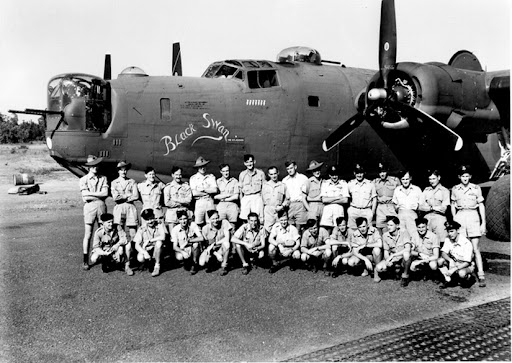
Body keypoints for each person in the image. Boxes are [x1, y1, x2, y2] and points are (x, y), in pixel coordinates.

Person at [451, 165, 486, 287]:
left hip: (472, 216)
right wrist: (454, 219)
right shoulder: (455, 189)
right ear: (459, 177)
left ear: (470, 176)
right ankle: (467, 272)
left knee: (475, 248)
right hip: (460, 217)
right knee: (462, 247)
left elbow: (481, 205)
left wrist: (483, 223)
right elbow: (453, 204)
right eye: (462, 176)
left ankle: (481, 274)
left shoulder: (476, 188)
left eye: (467, 176)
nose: (465, 178)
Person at [79, 155, 108, 271]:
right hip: (89, 207)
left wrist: (92, 194)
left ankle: (104, 257)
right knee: (88, 234)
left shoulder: (103, 178)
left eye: (96, 165)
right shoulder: (83, 179)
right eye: (92, 166)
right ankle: (85, 260)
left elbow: (105, 193)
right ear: (88, 167)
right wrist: (98, 194)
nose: (95, 167)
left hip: (101, 206)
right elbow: (84, 196)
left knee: (104, 231)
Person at [375, 216, 413, 287]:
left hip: (403, 257)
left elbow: (408, 248)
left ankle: (405, 276)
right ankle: (394, 272)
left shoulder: (404, 232)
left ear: (397, 225)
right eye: (388, 225)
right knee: (379, 268)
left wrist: (393, 255)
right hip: (394, 258)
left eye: (391, 225)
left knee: (406, 254)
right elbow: (386, 251)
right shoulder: (385, 235)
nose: (389, 227)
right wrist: (387, 260)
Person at [438, 220, 475, 289]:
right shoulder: (448, 239)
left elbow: (467, 262)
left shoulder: (466, 243)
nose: (449, 234)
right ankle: (448, 279)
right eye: (448, 231)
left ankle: (468, 278)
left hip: (465, 264)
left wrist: (454, 269)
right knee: (440, 261)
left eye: (452, 231)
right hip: (454, 262)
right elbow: (443, 252)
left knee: (462, 273)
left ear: (457, 230)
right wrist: (450, 260)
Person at [345, 217, 382, 282]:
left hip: (374, 255)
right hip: (364, 256)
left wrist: (365, 245)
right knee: (351, 262)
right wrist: (366, 260)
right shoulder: (355, 234)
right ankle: (365, 268)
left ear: (367, 225)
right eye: (360, 227)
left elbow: (380, 244)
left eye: (364, 226)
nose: (362, 229)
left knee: (377, 249)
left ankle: (376, 272)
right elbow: (355, 251)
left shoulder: (374, 230)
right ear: (357, 227)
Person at [111, 161, 139, 242]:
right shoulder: (114, 183)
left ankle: (133, 252)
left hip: (130, 207)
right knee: (119, 232)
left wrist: (123, 197)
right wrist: (127, 195)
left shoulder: (132, 181)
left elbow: (136, 196)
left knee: (133, 232)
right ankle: (120, 252)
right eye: (121, 170)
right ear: (118, 171)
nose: (124, 172)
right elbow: (115, 198)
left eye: (125, 170)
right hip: (119, 207)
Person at [133, 209, 167, 277]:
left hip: (158, 250)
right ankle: (148, 263)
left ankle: (157, 266)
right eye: (147, 220)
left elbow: (163, 237)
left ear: (154, 217)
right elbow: (136, 245)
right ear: (145, 220)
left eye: (151, 218)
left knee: (159, 243)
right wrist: (144, 252)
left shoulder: (159, 224)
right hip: (148, 250)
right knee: (140, 258)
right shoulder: (142, 228)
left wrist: (150, 240)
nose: (150, 221)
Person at [418, 170, 449, 243]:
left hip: (439, 218)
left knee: (441, 241)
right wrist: (433, 208)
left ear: (439, 177)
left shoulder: (444, 191)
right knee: (427, 241)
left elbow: (443, 209)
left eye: (433, 179)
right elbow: (420, 207)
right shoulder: (426, 190)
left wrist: (427, 206)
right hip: (427, 218)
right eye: (430, 179)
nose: (431, 181)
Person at [199, 210, 232, 276]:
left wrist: (216, 243)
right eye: (213, 219)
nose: (216, 220)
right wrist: (216, 254)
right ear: (209, 219)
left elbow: (227, 238)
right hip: (211, 249)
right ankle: (214, 262)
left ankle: (224, 266)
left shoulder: (224, 222)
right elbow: (206, 245)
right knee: (202, 263)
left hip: (221, 247)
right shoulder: (205, 228)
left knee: (226, 244)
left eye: (217, 218)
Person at [171, 210, 204, 275]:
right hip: (183, 248)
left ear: (187, 218)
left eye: (185, 219)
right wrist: (182, 252)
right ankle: (187, 261)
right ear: (178, 220)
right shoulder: (175, 229)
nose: (183, 221)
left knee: (196, 243)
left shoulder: (193, 225)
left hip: (192, 247)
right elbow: (174, 247)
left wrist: (189, 241)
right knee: (179, 257)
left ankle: (194, 263)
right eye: (181, 219)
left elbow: (201, 238)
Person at [392, 170, 422, 238]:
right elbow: (394, 204)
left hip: (412, 215)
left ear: (410, 178)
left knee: (414, 236)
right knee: (402, 236)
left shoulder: (417, 189)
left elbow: (421, 204)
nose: (405, 181)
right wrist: (397, 209)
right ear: (400, 180)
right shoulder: (397, 190)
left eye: (407, 179)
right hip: (401, 215)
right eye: (403, 179)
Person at [190, 156, 218, 228]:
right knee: (199, 223)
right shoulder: (193, 178)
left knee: (210, 223)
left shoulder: (211, 177)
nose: (202, 168)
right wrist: (208, 191)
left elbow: (214, 190)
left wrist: (202, 189)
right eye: (200, 167)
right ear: (197, 168)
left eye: (204, 166)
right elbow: (195, 193)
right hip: (200, 202)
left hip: (209, 202)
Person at [320, 165, 349, 233]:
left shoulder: (343, 183)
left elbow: (345, 200)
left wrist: (329, 199)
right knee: (327, 231)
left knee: (338, 231)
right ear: (329, 175)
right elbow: (324, 200)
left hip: (338, 211)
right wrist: (338, 197)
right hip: (328, 211)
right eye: (332, 175)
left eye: (336, 174)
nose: (334, 177)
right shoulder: (325, 183)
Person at [347, 163, 377, 230]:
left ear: (364, 173)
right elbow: (347, 198)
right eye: (357, 173)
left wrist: (372, 212)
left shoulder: (370, 184)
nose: (359, 175)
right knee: (352, 231)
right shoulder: (350, 184)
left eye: (361, 173)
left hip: (366, 210)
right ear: (354, 173)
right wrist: (349, 210)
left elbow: (374, 199)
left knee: (368, 231)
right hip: (354, 210)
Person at [410, 217, 441, 282]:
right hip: (420, 257)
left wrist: (420, 261)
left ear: (427, 226)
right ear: (416, 227)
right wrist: (419, 254)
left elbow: (436, 256)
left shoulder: (433, 236)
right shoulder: (414, 235)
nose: (421, 229)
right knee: (411, 266)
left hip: (431, 258)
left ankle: (435, 275)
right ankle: (422, 273)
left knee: (433, 265)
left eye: (423, 227)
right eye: (419, 227)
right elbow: (410, 250)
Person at [163, 166, 192, 233]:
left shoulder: (186, 186)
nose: (178, 176)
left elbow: (189, 200)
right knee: (173, 236)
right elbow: (167, 202)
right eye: (176, 175)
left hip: (184, 215)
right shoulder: (168, 187)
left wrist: (176, 200)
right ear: (172, 175)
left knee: (185, 235)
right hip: (172, 216)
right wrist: (181, 203)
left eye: (180, 174)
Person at [373, 162, 400, 234]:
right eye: (380, 172)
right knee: (380, 228)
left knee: (393, 228)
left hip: (391, 207)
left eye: (384, 172)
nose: (382, 174)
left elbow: (400, 194)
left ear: (387, 171)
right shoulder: (375, 182)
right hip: (380, 208)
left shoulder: (395, 181)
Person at [262, 166, 290, 233]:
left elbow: (288, 199)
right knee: (267, 231)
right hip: (268, 212)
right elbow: (262, 201)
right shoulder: (265, 186)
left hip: (279, 212)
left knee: (279, 230)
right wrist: (261, 216)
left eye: (275, 173)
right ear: (268, 175)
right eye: (271, 174)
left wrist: (282, 206)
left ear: (278, 173)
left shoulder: (283, 185)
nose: (273, 176)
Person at [282, 161, 309, 231]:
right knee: (290, 228)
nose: (290, 170)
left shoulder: (303, 178)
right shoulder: (284, 180)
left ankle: (300, 242)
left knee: (300, 228)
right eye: (288, 169)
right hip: (289, 206)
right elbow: (284, 196)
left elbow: (307, 193)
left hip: (300, 205)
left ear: (295, 167)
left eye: (291, 168)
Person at [238, 154, 265, 223]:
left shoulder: (260, 173)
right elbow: (241, 191)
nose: (249, 164)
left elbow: (264, 189)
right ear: (244, 163)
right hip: (246, 197)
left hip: (257, 197)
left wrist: (262, 201)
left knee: (257, 218)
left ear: (254, 161)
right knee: (244, 218)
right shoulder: (242, 174)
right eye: (247, 162)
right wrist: (242, 202)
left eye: (251, 161)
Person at [214, 163, 240, 228]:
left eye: (227, 171)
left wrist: (224, 198)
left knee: (232, 225)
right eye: (224, 171)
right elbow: (215, 196)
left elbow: (236, 196)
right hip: (221, 206)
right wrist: (228, 195)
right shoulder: (218, 182)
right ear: (221, 172)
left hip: (232, 205)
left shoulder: (234, 181)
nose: (226, 173)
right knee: (220, 224)